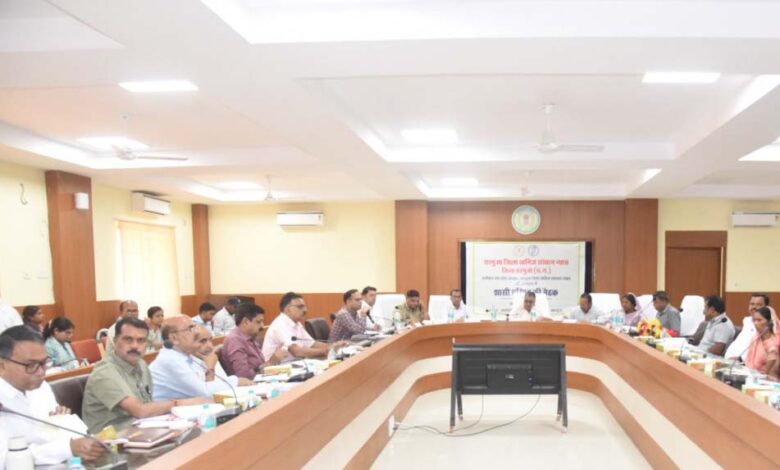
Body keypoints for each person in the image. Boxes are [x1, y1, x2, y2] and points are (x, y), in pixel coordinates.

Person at [0, 326, 105, 465]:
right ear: (2, 365)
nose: (40, 372)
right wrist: (68, 448)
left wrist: (59, 421)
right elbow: (5, 459)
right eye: (30, 365)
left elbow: (48, 434)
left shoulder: (40, 387)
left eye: (44, 363)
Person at [82, 317, 205, 434]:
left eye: (141, 340)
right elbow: (140, 411)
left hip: (140, 429)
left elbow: (147, 406)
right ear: (115, 341)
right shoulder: (105, 372)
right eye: (128, 339)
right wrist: (179, 403)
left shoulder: (141, 364)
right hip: (109, 439)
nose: (135, 346)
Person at [149, 316, 215, 401]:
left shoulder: (186, 355)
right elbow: (205, 394)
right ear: (174, 338)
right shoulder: (170, 360)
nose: (196, 333)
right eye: (190, 329)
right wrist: (210, 366)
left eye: (194, 328)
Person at [262, 292, 332, 362]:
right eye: (300, 307)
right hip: (276, 366)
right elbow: (297, 352)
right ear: (288, 309)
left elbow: (312, 344)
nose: (305, 310)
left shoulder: (297, 323)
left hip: (293, 364)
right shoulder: (280, 324)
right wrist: (323, 351)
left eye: (304, 306)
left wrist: (333, 346)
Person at [221, 303, 283, 379]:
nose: (262, 326)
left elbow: (259, 365)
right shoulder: (235, 340)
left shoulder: (249, 337)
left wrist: (272, 362)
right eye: (258, 322)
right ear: (246, 321)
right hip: (248, 384)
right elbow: (244, 375)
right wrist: (271, 362)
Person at [193, 325, 253, 395]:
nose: (210, 346)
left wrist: (237, 381)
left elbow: (224, 384)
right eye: (203, 341)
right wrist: (210, 368)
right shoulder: (188, 366)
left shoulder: (208, 356)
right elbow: (208, 395)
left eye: (210, 340)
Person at [725, 293, 776, 360]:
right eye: (752, 304)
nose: (754, 307)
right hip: (728, 359)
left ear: (767, 308)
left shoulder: (768, 326)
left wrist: (741, 359)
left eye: (759, 304)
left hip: (742, 363)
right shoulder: (747, 320)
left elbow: (764, 351)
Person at [745, 307, 779, 380]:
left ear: (769, 323)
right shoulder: (755, 338)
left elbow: (765, 373)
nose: (755, 323)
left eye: (759, 320)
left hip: (765, 381)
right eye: (754, 320)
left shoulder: (773, 344)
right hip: (750, 375)